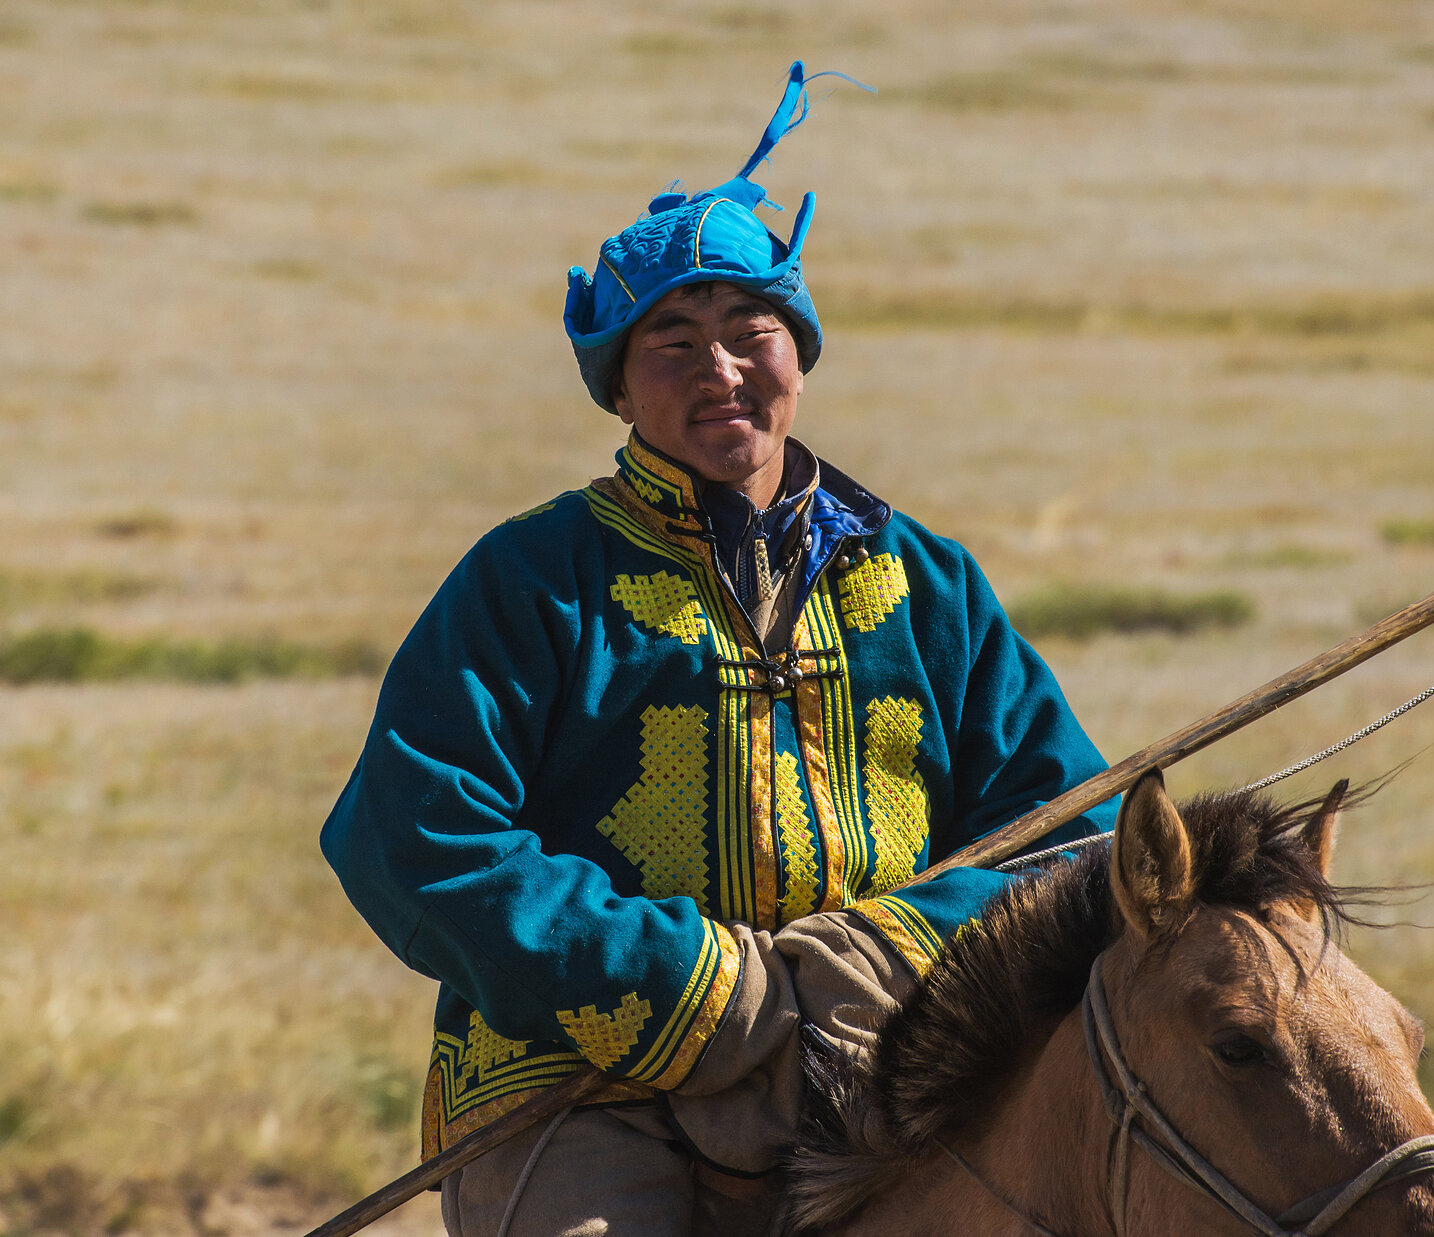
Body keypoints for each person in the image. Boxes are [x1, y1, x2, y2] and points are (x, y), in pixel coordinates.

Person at [320, 62, 1117, 1237]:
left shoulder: (923, 580)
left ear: (798, 353)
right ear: (617, 386)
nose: (720, 372)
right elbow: (408, 834)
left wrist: (891, 953)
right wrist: (680, 983)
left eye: (752, 333)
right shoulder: (532, 577)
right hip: (577, 1085)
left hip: (880, 1071)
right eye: (672, 344)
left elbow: (1074, 829)